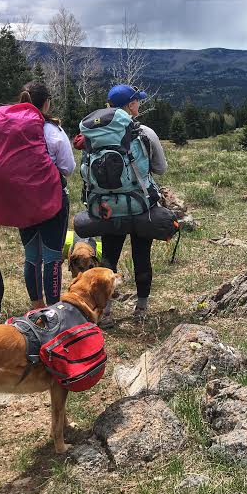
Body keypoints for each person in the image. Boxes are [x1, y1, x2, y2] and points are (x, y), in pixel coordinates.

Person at [97, 84, 167, 327]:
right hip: (139, 205)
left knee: (109, 258)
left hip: (108, 207)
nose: (139, 104)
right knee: (141, 256)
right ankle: (141, 309)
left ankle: (105, 312)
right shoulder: (144, 132)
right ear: (129, 106)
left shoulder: (95, 133)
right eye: (137, 101)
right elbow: (160, 168)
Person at [17, 81, 75, 309]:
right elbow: (68, 168)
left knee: (31, 256)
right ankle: (53, 311)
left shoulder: (13, 129)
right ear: (47, 103)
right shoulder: (52, 131)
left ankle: (36, 306)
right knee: (51, 258)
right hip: (52, 201)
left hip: (21, 202)